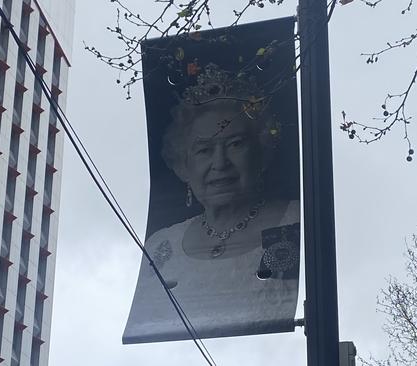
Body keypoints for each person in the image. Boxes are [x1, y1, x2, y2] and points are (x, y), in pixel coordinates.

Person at [123, 64, 300, 343]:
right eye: (204, 150)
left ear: (261, 151)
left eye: (235, 144)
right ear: (184, 164)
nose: (220, 164)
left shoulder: (296, 221)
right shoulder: (159, 246)